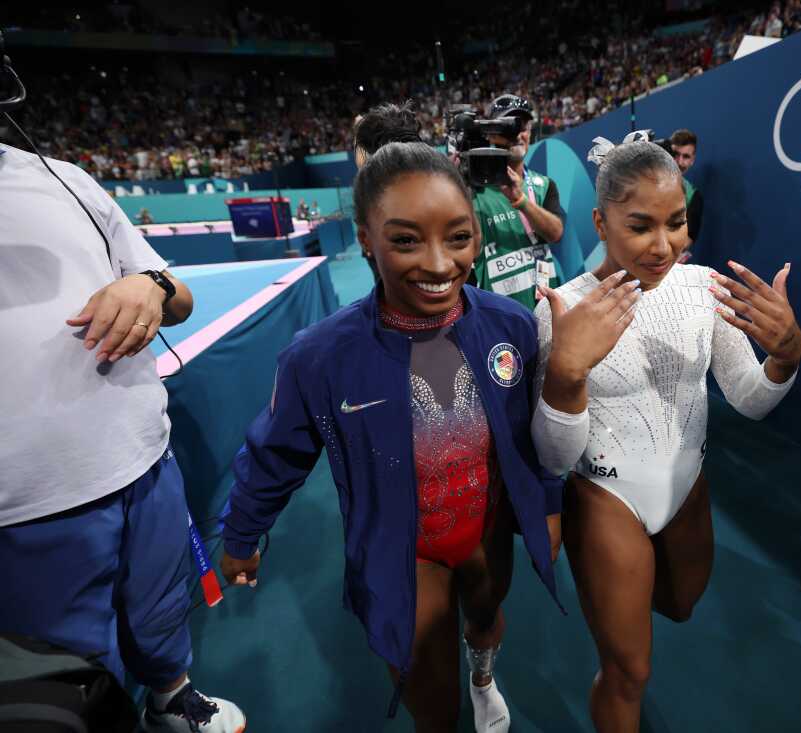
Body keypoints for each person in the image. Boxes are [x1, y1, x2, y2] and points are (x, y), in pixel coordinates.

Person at [219, 140, 563, 733]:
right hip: (406, 553)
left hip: (488, 533)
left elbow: (535, 437)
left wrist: (549, 503)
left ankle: (484, 675)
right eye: (406, 240)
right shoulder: (321, 357)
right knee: (430, 705)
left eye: (458, 237)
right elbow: (275, 453)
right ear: (365, 239)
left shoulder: (512, 324)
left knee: (485, 619)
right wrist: (243, 531)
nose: (438, 263)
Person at [530, 140, 801, 732]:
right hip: (606, 499)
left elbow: (750, 399)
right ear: (601, 223)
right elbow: (553, 458)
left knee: (680, 605)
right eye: (640, 226)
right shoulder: (562, 310)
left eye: (676, 223)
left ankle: (621, 608)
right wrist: (565, 374)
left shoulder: (703, 287)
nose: (663, 246)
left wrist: (785, 356)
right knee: (629, 671)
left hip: (687, 488)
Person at [0, 141, 245, 732]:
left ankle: (170, 698)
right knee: (66, 689)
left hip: (144, 457)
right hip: (30, 504)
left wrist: (153, 287)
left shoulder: (62, 178)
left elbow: (176, 293)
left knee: (160, 611)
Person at [471, 93, 566, 310]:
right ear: (491, 135)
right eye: (507, 127)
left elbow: (556, 233)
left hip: (547, 309)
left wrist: (521, 201)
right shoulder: (474, 194)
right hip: (500, 317)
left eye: (522, 127)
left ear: (531, 132)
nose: (516, 134)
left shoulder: (544, 185)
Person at [669, 128, 704, 249]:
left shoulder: (693, 196)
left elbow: (687, 240)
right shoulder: (644, 181)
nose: (679, 162)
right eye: (675, 155)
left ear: (692, 160)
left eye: (686, 156)